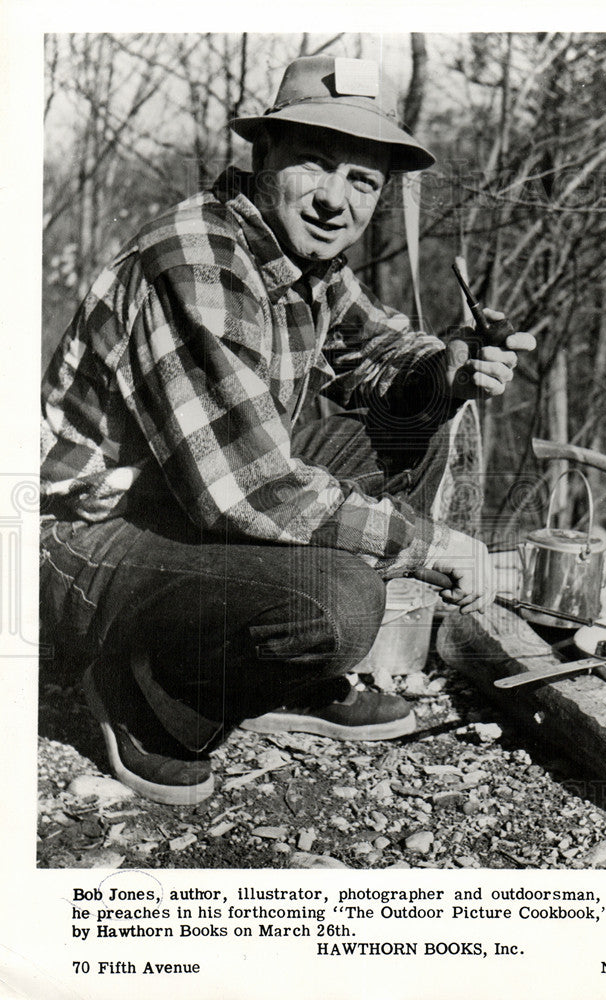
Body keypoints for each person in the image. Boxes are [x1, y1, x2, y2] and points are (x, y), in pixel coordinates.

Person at [40, 55, 536, 805]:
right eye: (317, 164)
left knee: (415, 426)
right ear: (264, 154)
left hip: (189, 507)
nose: (337, 201)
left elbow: (382, 355)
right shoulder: (198, 261)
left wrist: (452, 368)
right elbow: (253, 490)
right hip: (88, 542)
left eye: (363, 180)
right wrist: (438, 546)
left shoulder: (304, 260)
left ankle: (273, 671)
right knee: (339, 600)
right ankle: (147, 696)